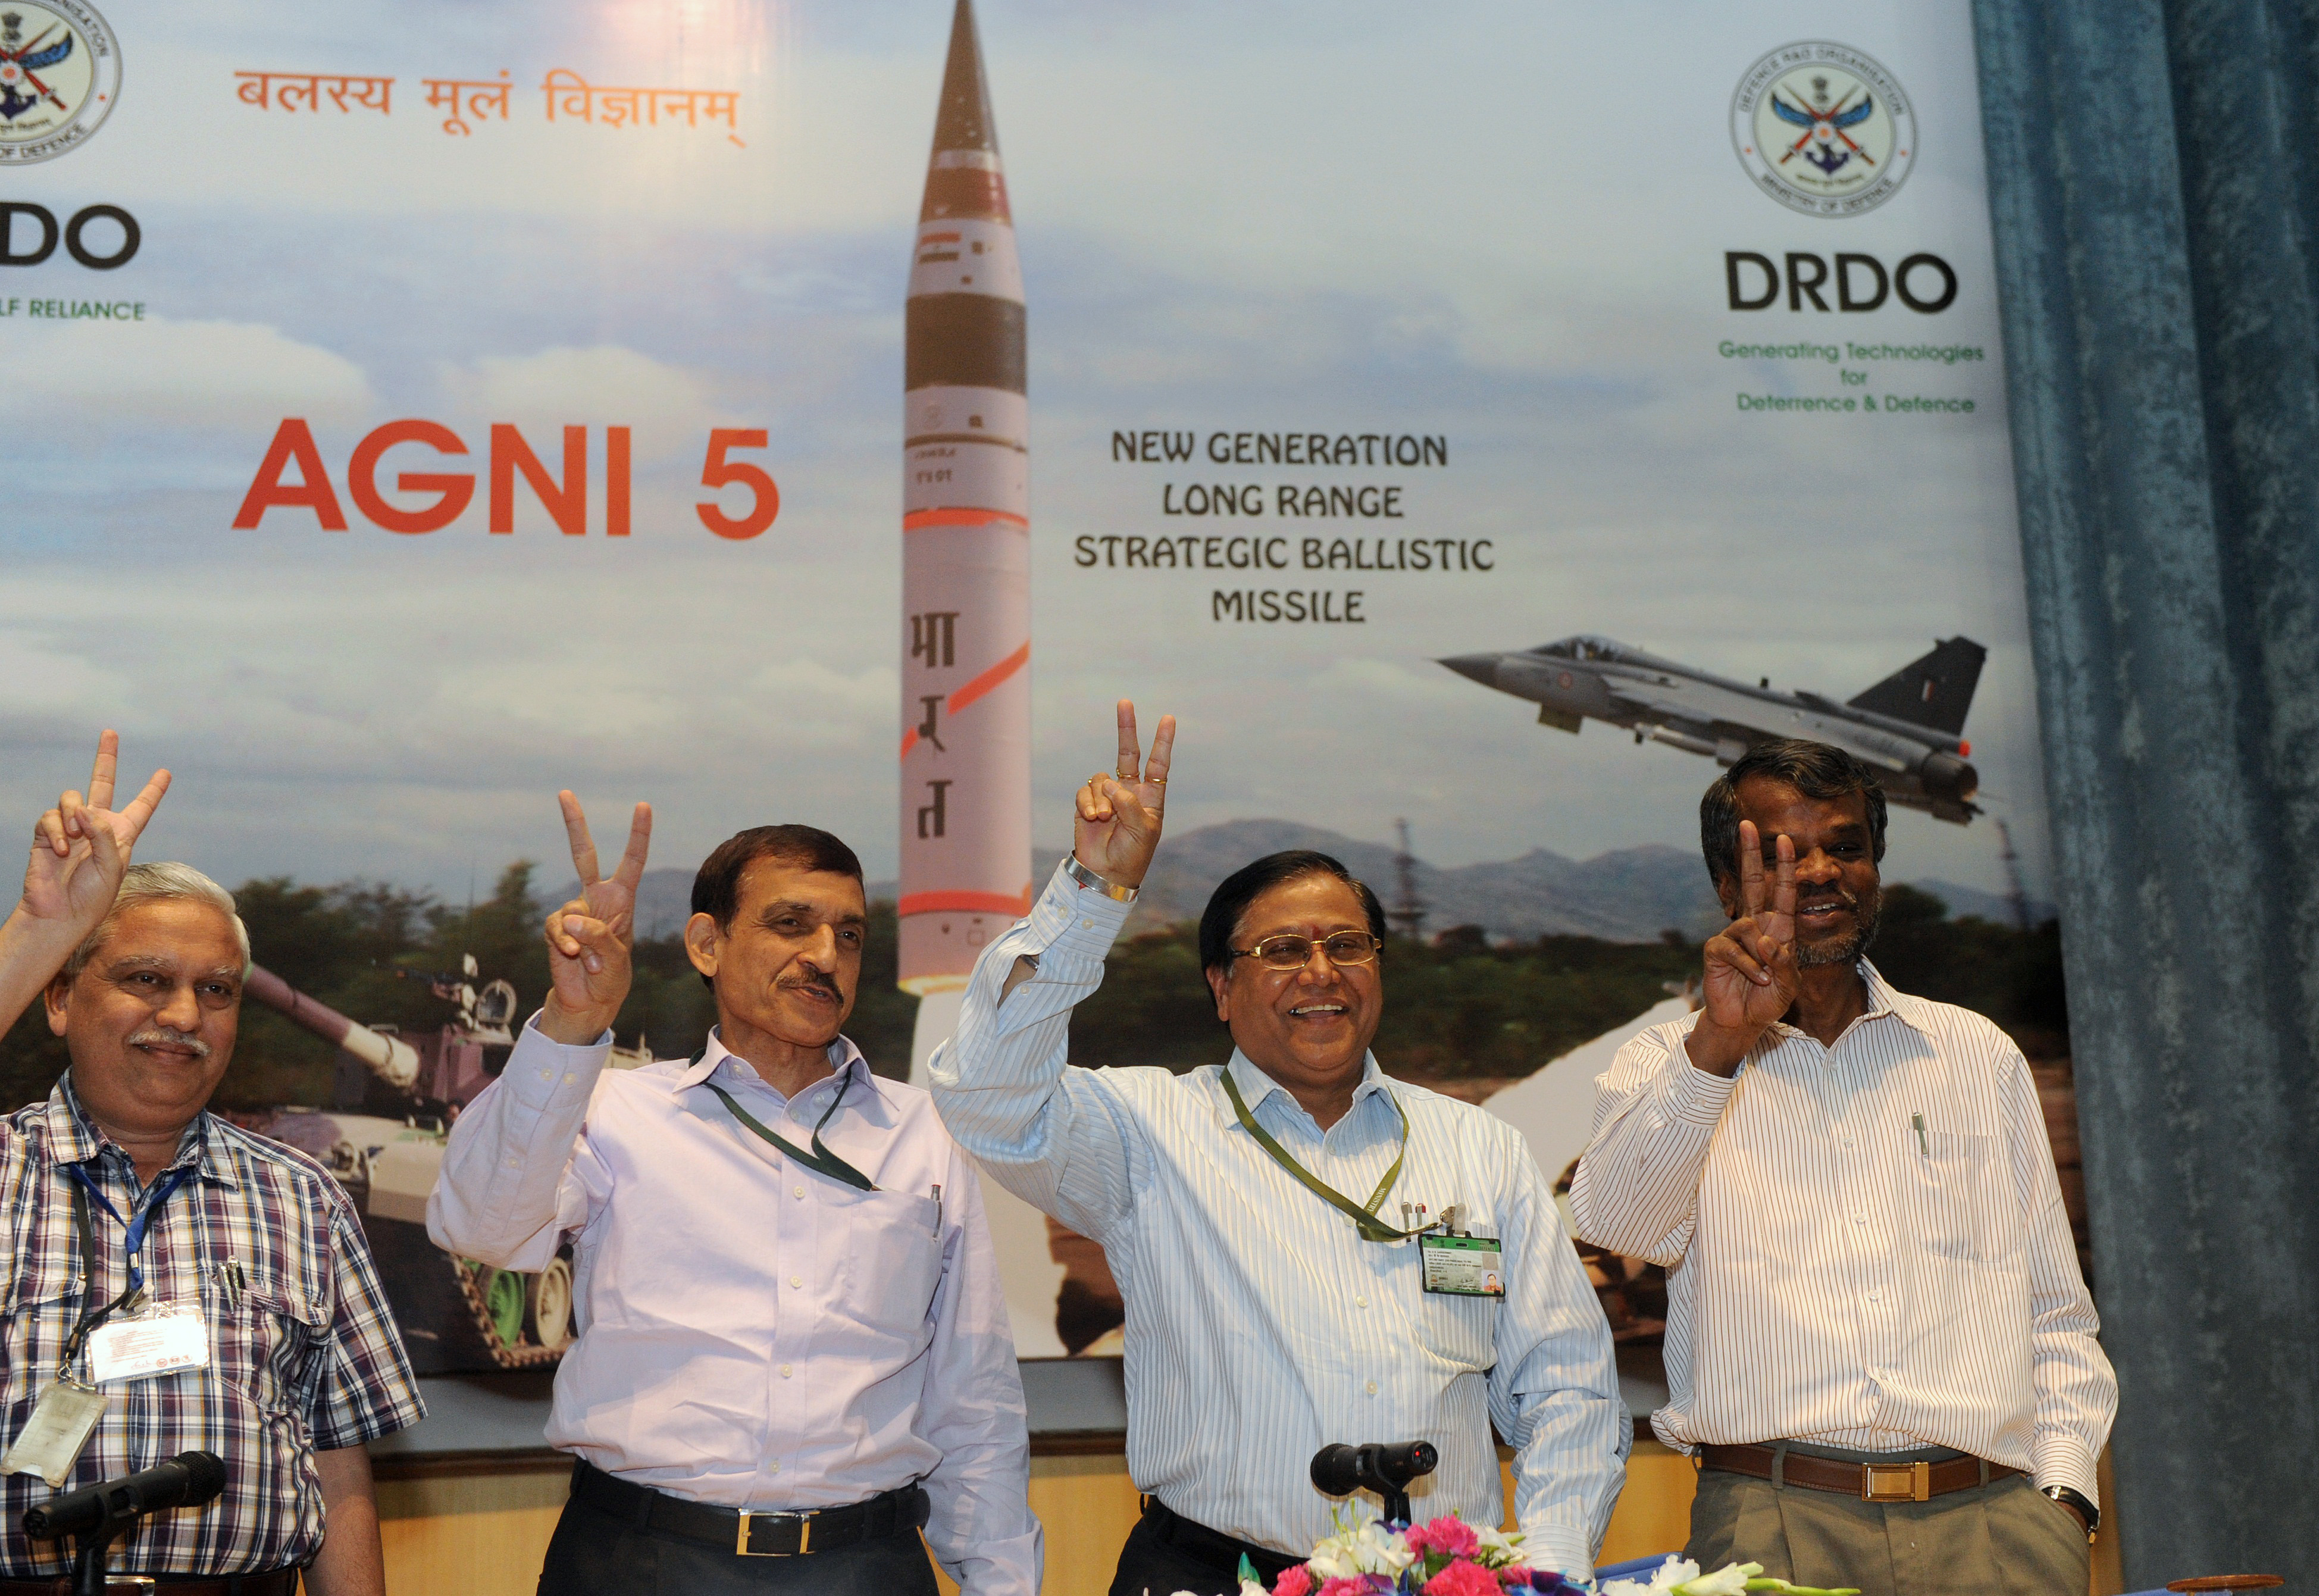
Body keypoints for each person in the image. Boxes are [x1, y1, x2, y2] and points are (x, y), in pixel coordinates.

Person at [930, 703, 1628, 1596]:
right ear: (1222, 988)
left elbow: (1568, 1386)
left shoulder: (1478, 1147)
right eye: (1282, 950)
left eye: (1348, 946)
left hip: (1441, 1580)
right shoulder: (1145, 1128)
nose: (1321, 972)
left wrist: (1550, 1571)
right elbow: (986, 1094)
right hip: (1213, 1574)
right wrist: (1094, 893)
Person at [428, 795, 1039, 1596]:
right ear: (707, 944)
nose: (825, 954)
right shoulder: (616, 1112)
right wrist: (574, 1023)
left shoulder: (924, 1135)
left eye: (849, 935)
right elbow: (482, 1228)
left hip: (865, 1566)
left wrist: (1001, 1582)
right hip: (639, 1561)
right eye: (791, 924)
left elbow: (974, 1396)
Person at [1569, 739, 2115, 1596]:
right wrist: (1719, 1043)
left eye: (1845, 846)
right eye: (1783, 854)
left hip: (1995, 1527)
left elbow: (2056, 1312)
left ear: (1875, 868)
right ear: (1727, 887)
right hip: (1770, 1523)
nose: (1821, 871)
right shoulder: (1666, 1062)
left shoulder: (1975, 1054)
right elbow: (1617, 1223)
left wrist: (2063, 1497)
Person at [0, 733, 425, 1595]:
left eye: (217, 989)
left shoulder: (303, 1199)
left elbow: (338, 1468)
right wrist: (41, 929)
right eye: (146, 979)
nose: (184, 1014)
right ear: (59, 997)